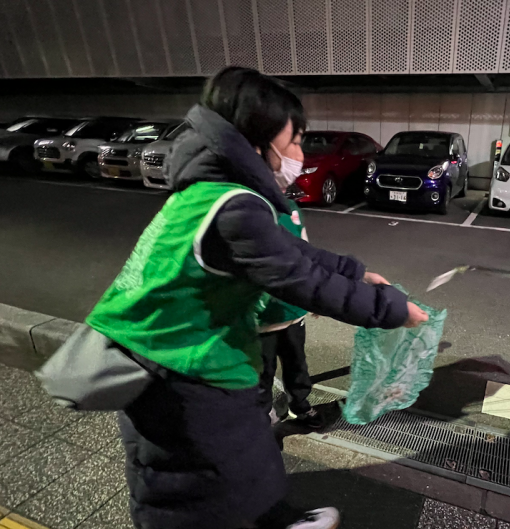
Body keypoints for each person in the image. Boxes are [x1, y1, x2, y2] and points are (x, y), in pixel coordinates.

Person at [85, 66, 428, 529]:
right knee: (190, 485)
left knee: (236, 460)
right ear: (258, 141)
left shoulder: (215, 191)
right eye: (295, 141)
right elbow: (299, 278)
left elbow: (292, 251)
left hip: (184, 356)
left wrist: (356, 271)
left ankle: (276, 517)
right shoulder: (234, 206)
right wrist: (392, 309)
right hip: (178, 368)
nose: (300, 154)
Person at [255, 107, 383, 429]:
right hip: (260, 319)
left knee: (298, 365)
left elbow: (308, 254)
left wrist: (315, 300)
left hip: (292, 312)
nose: (300, 156)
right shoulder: (250, 211)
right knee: (261, 372)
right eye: (294, 145)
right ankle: (262, 418)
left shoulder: (291, 208)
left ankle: (301, 405)